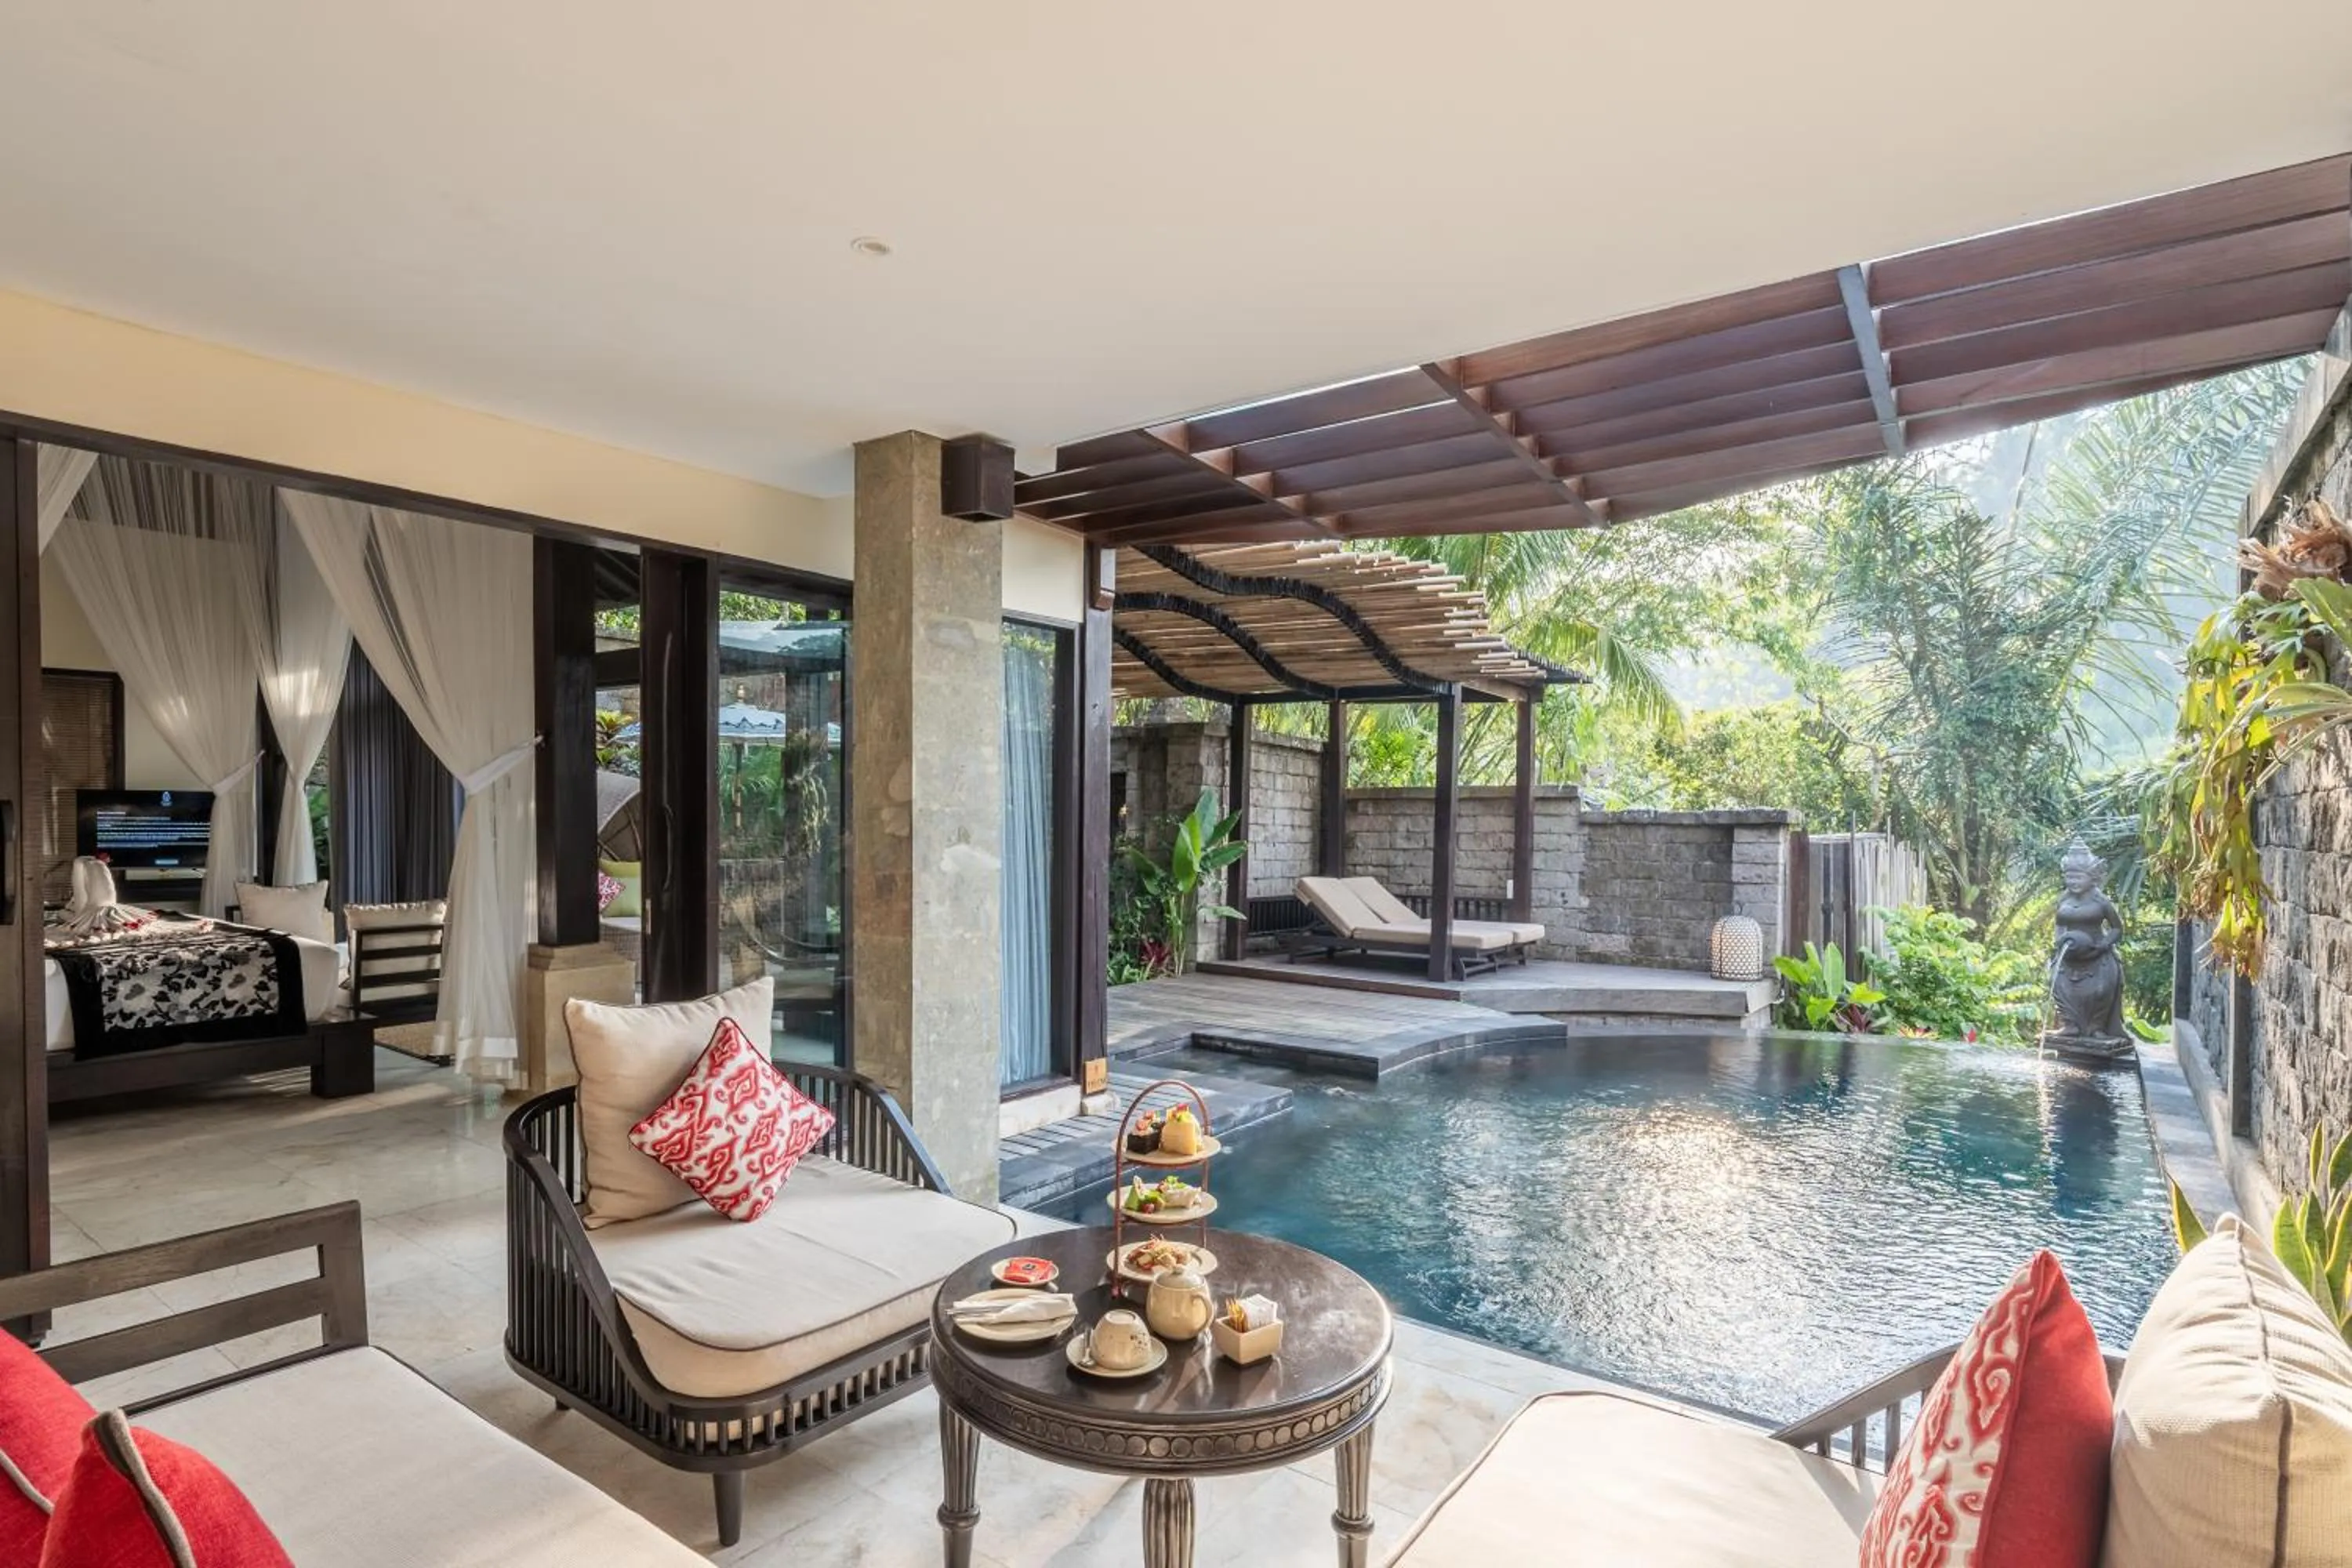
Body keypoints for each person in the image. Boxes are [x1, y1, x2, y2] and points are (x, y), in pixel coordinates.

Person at [2047, 840, 2129, 1057]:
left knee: (2101, 990)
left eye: (2078, 877)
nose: (2072, 882)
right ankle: (2070, 1025)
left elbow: (2117, 928)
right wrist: (2059, 940)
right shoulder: (2063, 898)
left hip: (2095, 953)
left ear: (2092, 878)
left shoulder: (2101, 901)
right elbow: (2059, 923)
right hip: (2069, 953)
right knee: (2058, 985)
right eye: (2069, 877)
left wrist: (2103, 945)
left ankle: (2096, 1028)